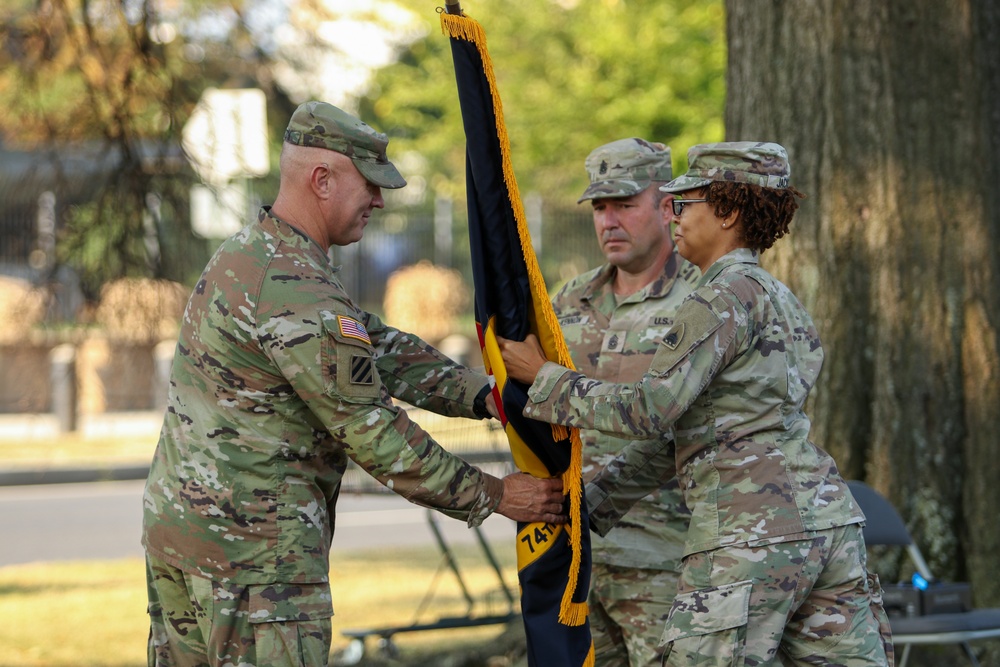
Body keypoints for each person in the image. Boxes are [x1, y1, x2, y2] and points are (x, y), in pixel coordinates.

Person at [142, 100, 567, 667]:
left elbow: (378, 349)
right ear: (322, 180)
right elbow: (375, 436)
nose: (379, 199)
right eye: (369, 184)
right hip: (254, 565)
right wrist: (496, 495)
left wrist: (486, 394)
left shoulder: (255, 255)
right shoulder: (295, 287)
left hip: (187, 543)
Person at [498, 142, 893, 666]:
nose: (675, 215)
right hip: (827, 525)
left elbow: (650, 410)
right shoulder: (778, 295)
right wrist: (591, 506)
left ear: (726, 211)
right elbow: (690, 432)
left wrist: (544, 380)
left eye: (686, 202)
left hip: (746, 530)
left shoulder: (716, 298)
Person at [557, 138, 698, 667]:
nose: (609, 221)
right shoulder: (568, 302)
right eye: (599, 207)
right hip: (579, 562)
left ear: (666, 206)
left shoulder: (705, 298)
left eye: (624, 204)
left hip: (668, 561)